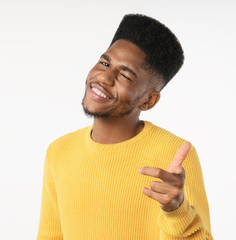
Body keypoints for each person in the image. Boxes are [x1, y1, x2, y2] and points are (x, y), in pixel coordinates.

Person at [36, 13, 213, 239]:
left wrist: (177, 211)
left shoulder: (174, 156)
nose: (104, 77)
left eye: (125, 76)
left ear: (149, 100)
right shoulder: (59, 151)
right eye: (104, 62)